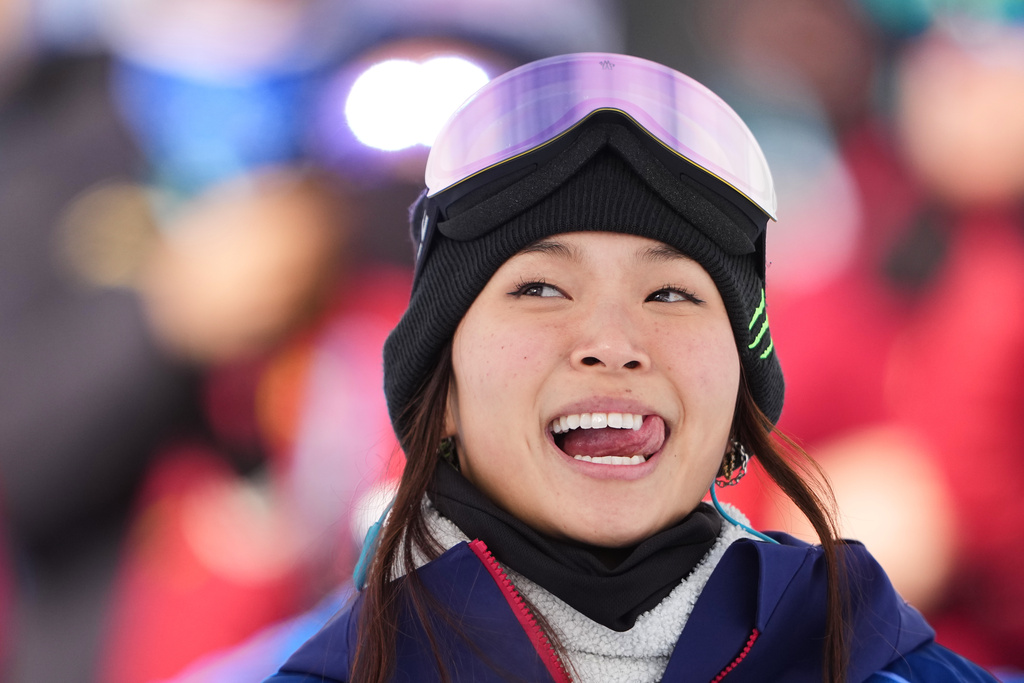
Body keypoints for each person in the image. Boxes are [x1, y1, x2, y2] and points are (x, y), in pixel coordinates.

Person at [265, 53, 995, 683]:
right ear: (442, 384)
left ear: (740, 386)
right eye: (542, 288)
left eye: (671, 292)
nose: (613, 341)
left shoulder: (880, 658)